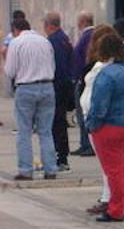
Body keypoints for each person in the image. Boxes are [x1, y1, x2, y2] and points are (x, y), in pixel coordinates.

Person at [86, 29, 124, 223]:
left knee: (114, 171)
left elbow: (99, 106)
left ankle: (116, 210)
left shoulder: (107, 74)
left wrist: (92, 125)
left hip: (111, 127)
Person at [4, 16, 58, 180]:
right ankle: (50, 169)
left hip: (26, 88)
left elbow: (10, 71)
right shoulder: (45, 41)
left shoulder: (16, 43)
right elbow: (53, 66)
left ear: (15, 31)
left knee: (24, 131)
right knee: (46, 131)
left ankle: (26, 170)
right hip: (48, 86)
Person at [79, 24, 119, 215]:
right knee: (111, 165)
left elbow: (99, 95)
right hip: (97, 118)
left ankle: (109, 198)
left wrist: (94, 120)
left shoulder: (103, 68)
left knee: (108, 165)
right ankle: (111, 197)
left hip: (100, 120)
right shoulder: (107, 67)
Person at [44, 12, 75, 172]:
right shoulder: (64, 38)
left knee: (56, 122)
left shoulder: (54, 41)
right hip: (65, 84)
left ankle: (60, 157)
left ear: (48, 25)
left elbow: (58, 66)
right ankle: (62, 155)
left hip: (58, 86)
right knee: (59, 121)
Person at [70, 12, 96, 156]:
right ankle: (84, 143)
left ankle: (88, 144)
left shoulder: (88, 36)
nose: (77, 24)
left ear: (84, 21)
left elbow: (85, 58)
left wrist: (79, 76)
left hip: (83, 79)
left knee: (83, 113)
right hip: (82, 78)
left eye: (79, 21)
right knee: (80, 114)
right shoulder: (88, 35)